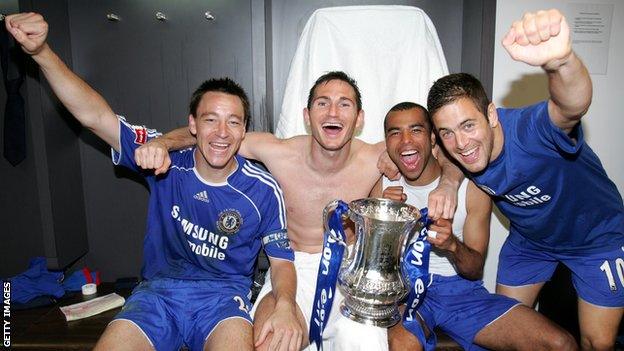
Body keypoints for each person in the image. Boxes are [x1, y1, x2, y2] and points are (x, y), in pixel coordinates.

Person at [5, 12, 302, 351]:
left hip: (222, 299)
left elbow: (281, 263)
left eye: (233, 122)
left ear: (244, 129)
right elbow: (95, 116)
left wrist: (285, 306)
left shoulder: (262, 189)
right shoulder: (165, 160)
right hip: (158, 295)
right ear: (192, 124)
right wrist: (41, 52)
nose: (222, 133)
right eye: (211, 120)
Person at [136, 71, 464, 350]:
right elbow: (215, 134)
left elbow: (450, 152)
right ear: (307, 116)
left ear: (359, 119)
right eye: (323, 103)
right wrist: (162, 143)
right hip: (291, 270)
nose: (333, 112)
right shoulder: (278, 152)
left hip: (351, 270)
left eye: (344, 104)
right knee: (270, 341)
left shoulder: (378, 154)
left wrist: (448, 185)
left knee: (365, 343)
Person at [427, 9, 624, 350]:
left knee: (598, 343)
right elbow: (449, 156)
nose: (460, 143)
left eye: (468, 126)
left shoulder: (530, 131)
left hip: (597, 238)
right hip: (531, 242)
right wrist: (447, 182)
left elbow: (571, 106)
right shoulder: (458, 149)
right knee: (508, 328)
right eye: (447, 132)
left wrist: (561, 62)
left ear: (490, 114)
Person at [373, 102, 576, 350]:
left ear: (433, 138)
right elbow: (374, 268)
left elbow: (475, 268)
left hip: (462, 294)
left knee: (559, 344)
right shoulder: (382, 189)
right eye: (395, 132)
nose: (405, 141)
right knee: (403, 344)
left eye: (416, 130)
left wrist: (451, 246)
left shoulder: (471, 188)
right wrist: (382, 222)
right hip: (408, 292)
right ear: (386, 142)